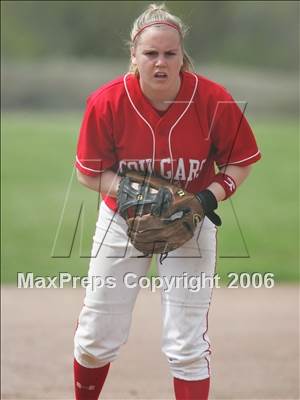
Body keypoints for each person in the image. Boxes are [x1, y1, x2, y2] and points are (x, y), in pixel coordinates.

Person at [73, 3, 261, 399]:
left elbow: (240, 162)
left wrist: (206, 199)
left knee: (187, 345)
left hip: (192, 220)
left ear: (182, 57)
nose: (160, 62)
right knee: (94, 340)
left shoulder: (212, 99)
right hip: (122, 222)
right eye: (150, 53)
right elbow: (88, 173)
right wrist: (137, 195)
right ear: (134, 57)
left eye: (169, 53)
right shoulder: (107, 102)